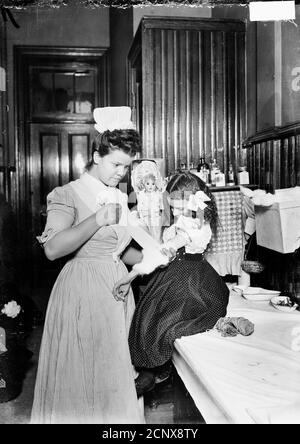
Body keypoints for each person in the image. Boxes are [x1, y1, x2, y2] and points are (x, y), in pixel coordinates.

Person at [31, 107, 146, 424]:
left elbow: (118, 252)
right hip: (82, 293)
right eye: (116, 164)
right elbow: (53, 249)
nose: (121, 173)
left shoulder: (119, 197)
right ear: (97, 155)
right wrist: (96, 219)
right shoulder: (68, 194)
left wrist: (154, 258)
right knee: (84, 372)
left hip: (118, 294)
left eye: (126, 166)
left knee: (115, 374)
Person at [113, 171, 229, 386]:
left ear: (192, 200)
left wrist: (129, 276)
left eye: (177, 206)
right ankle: (152, 368)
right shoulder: (190, 216)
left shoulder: (193, 223)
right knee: (149, 312)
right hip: (176, 273)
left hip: (190, 280)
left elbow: (164, 250)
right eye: (171, 205)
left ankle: (157, 369)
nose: (173, 211)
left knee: (163, 320)